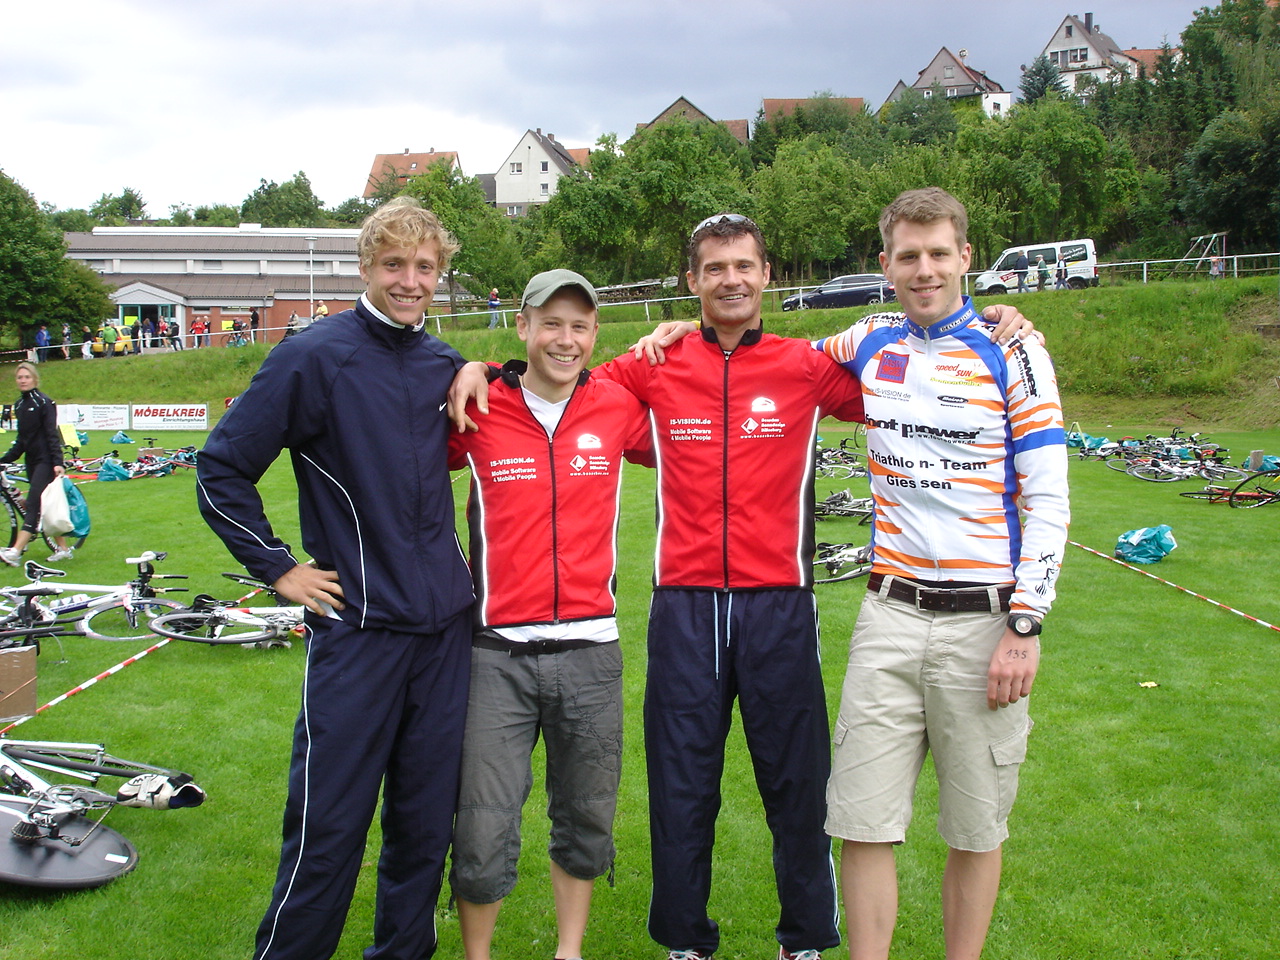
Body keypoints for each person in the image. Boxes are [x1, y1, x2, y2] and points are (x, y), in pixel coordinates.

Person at [196, 197, 476, 960]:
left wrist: (481, 365)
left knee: (424, 833)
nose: (410, 281)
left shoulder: (444, 363)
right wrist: (280, 569)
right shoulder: (313, 356)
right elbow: (220, 469)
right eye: (394, 265)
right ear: (365, 266)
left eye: (424, 267)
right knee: (328, 834)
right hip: (358, 636)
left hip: (445, 634)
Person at [814, 188, 1069, 960]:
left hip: (986, 620)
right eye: (906, 256)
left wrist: (1025, 624)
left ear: (965, 257)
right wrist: (672, 332)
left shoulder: (1016, 349)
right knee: (859, 819)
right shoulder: (866, 337)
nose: (923, 270)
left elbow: (1051, 497)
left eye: (938, 253)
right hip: (887, 613)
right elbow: (772, 358)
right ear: (884, 263)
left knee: (974, 823)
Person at [447, 269, 651, 960]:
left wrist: (676, 334)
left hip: (592, 652)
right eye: (551, 323)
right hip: (494, 655)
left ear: (595, 333)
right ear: (523, 326)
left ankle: (570, 951)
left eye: (579, 326)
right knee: (481, 822)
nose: (565, 339)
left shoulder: (618, 406)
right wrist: (468, 367)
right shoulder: (477, 406)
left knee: (587, 815)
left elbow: (695, 421)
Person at [0, 362, 74, 564]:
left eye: (26, 377)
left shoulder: (44, 402)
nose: (23, 380)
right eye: (19, 377)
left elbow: (51, 434)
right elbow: (22, 440)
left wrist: (58, 462)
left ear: (34, 379)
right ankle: (64, 549)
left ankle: (15, 551)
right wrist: (4, 459)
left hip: (46, 461)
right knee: (43, 505)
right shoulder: (19, 404)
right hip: (31, 461)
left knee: (33, 504)